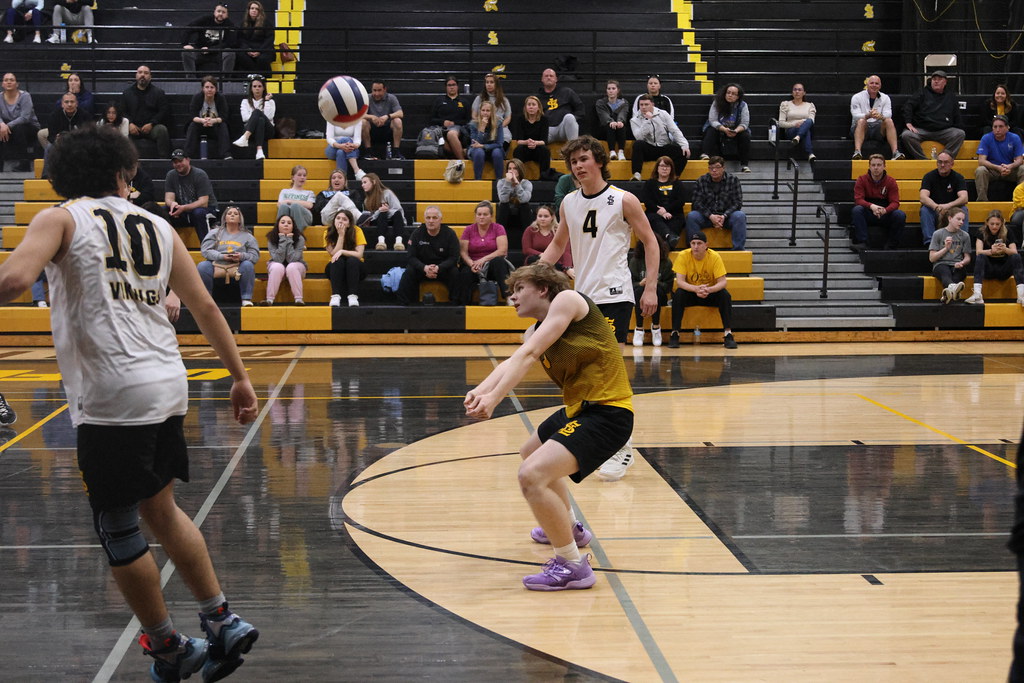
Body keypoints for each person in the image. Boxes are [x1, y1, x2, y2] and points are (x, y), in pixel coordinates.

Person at [0, 124, 259, 682]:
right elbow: (207, 310)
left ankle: (168, 647)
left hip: (112, 396)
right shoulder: (160, 226)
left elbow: (15, 279)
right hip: (167, 386)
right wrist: (240, 377)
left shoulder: (62, 217)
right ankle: (221, 620)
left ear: (64, 176)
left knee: (118, 526)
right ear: (122, 171)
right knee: (161, 511)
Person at [463, 262, 634, 591]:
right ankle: (570, 527)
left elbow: (528, 355)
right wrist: (481, 389)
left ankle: (572, 564)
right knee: (530, 451)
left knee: (532, 475)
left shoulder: (568, 300)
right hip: (580, 409)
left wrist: (495, 399)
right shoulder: (533, 330)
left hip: (608, 413)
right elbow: (518, 356)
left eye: (519, 289)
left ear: (543, 288)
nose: (511, 297)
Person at [538, 135, 660, 482]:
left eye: (584, 159)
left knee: (609, 371)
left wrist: (649, 287)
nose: (578, 166)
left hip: (615, 294)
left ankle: (622, 447)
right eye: (573, 161)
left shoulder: (623, 200)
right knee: (587, 372)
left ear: (599, 162)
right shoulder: (569, 204)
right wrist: (530, 278)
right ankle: (599, 436)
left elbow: (650, 242)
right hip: (582, 298)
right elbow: (558, 244)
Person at [666, 231, 738, 349]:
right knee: (678, 294)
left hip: (709, 293)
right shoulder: (683, 255)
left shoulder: (714, 256)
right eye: (693, 243)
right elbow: (680, 282)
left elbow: (723, 282)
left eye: (699, 243)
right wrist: (695, 289)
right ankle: (675, 334)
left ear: (706, 245)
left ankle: (728, 334)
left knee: (725, 295)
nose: (695, 246)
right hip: (691, 292)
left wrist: (709, 290)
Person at [397, 204, 460, 305]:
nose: (431, 221)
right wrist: (424, 267)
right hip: (422, 268)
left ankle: (455, 304)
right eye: (428, 218)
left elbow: (454, 257)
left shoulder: (450, 234)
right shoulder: (417, 233)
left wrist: (439, 268)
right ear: (425, 219)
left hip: (442, 268)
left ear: (440, 219)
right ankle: (403, 304)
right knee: (409, 271)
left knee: (454, 272)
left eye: (434, 218)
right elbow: (410, 257)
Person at [197, 205, 258, 306]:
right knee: (202, 266)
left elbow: (254, 256)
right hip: (216, 263)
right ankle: (206, 299)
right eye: (229, 214)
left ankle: (246, 298)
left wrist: (241, 256)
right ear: (224, 218)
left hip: (238, 264)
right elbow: (205, 250)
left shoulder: (248, 236)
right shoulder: (214, 233)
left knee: (248, 265)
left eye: (235, 214)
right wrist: (221, 256)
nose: (232, 215)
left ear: (240, 219)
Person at [685, 156, 747, 250]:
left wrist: (724, 216)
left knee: (740, 216)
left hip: (726, 217)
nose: (714, 170)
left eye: (717, 167)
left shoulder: (733, 180)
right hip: (706, 217)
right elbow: (696, 203)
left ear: (723, 168)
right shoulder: (701, 180)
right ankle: (694, 248)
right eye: (711, 168)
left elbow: (737, 203)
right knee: (692, 216)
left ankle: (738, 249)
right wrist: (710, 216)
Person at [900, 70, 965, 160]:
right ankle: (923, 160)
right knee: (906, 135)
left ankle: (944, 159)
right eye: (934, 79)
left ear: (945, 82)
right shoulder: (921, 93)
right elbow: (908, 106)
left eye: (939, 79)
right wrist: (908, 123)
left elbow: (957, 115)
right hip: (922, 130)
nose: (936, 81)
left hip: (944, 131)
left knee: (960, 134)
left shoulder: (951, 96)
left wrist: (958, 127)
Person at [965, 209, 1024, 306]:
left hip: (1003, 270)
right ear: (987, 222)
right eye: (992, 224)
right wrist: (991, 251)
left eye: (997, 224)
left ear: (1002, 223)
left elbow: (1014, 252)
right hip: (989, 269)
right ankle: (977, 294)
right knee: (980, 256)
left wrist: (1005, 249)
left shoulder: (1008, 231)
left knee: (1016, 257)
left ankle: (1021, 295)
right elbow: (978, 252)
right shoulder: (981, 232)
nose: (994, 226)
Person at [456, 200, 511, 303]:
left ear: (491, 216)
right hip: (473, 265)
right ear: (475, 216)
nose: (481, 217)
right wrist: (472, 264)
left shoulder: (498, 228)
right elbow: (463, 252)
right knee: (465, 272)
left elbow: (502, 251)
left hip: (491, 265)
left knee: (499, 262)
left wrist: (483, 260)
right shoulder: (468, 229)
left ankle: (509, 297)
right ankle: (464, 304)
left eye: (485, 214)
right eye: (479, 214)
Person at [851, 153, 905, 250]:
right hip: (869, 212)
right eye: (873, 165)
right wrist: (872, 206)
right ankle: (863, 242)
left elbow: (895, 202)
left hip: (885, 213)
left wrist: (885, 210)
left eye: (879, 165)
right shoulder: (861, 180)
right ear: (869, 166)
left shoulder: (891, 181)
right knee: (857, 210)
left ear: (884, 166)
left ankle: (892, 245)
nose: (876, 168)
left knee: (900, 215)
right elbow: (858, 200)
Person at [630, 94, 689, 181]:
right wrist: (647, 120)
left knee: (682, 152)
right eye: (641, 105)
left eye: (646, 104)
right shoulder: (635, 120)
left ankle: (674, 177)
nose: (643, 107)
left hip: (663, 147)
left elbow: (674, 130)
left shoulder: (663, 114)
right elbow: (639, 137)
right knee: (638, 144)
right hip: (649, 149)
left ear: (652, 104)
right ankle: (637, 174)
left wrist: (684, 145)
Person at [165, 149, 218, 242]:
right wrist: (173, 204)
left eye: (180, 161)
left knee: (198, 212)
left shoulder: (200, 174)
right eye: (175, 162)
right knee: (163, 211)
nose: (178, 164)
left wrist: (183, 208)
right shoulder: (171, 175)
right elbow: (168, 198)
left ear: (188, 160)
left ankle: (207, 247)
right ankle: (167, 246)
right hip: (184, 210)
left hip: (207, 209)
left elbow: (204, 202)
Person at [629, 233, 672, 348]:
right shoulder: (635, 261)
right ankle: (639, 329)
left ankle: (656, 327)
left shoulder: (666, 262)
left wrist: (654, 283)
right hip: (638, 294)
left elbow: (668, 286)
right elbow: (629, 284)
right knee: (639, 291)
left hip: (659, 295)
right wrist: (640, 283)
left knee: (655, 291)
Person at [121, 65, 171, 159]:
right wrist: (130, 124)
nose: (142, 75)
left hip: (152, 127)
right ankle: (124, 161)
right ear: (136, 75)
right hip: (132, 127)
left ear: (150, 76)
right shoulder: (127, 93)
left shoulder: (159, 93)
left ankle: (164, 161)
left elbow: (163, 111)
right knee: (121, 129)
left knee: (162, 130)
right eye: (140, 72)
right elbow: (122, 111)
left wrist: (152, 123)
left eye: (146, 73)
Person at [919, 150, 968, 246]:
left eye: (946, 162)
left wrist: (948, 206)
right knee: (925, 210)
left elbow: (964, 198)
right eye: (940, 162)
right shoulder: (929, 177)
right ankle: (930, 242)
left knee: (963, 209)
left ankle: (961, 241)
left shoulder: (958, 177)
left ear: (952, 164)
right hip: (935, 210)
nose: (942, 165)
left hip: (951, 210)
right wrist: (936, 207)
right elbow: (923, 197)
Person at [850, 74, 903, 160]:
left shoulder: (885, 98)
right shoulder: (857, 97)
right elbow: (855, 116)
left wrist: (880, 116)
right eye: (872, 83)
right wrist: (868, 116)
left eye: (877, 83)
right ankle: (857, 152)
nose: (874, 85)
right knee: (861, 121)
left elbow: (888, 114)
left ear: (880, 86)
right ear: (867, 84)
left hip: (878, 127)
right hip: (861, 127)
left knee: (889, 121)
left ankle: (895, 152)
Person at [701, 83, 751, 173]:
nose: (730, 95)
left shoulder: (743, 105)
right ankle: (705, 154)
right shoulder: (717, 102)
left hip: (735, 130)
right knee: (711, 130)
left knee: (745, 135)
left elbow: (745, 123)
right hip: (719, 128)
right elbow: (712, 120)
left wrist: (736, 131)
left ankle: (744, 165)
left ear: (738, 96)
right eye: (728, 92)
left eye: (733, 94)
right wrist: (724, 129)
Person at [38, 72, 94, 151]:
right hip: (62, 130)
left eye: (76, 80)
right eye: (70, 80)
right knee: (42, 135)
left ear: (81, 83)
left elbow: (86, 107)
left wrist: (75, 96)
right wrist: (55, 138)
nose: (73, 83)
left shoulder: (87, 95)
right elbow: (58, 108)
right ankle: (55, 154)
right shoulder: (65, 96)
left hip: (78, 131)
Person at [181, 3, 236, 82]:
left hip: (218, 53)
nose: (220, 14)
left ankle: (225, 80)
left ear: (227, 15)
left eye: (223, 12)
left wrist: (210, 49)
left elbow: (230, 43)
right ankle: (191, 80)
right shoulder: (205, 19)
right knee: (186, 52)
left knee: (230, 53)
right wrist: (184, 44)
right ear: (214, 12)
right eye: (219, 11)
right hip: (201, 51)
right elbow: (189, 28)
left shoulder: (230, 25)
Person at [640, 156, 687, 247]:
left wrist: (666, 210)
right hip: (655, 213)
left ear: (671, 169)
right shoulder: (650, 183)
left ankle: (665, 246)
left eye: (667, 166)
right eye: (662, 166)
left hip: (674, 214)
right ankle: (669, 236)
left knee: (675, 222)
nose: (664, 168)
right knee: (653, 219)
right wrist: (660, 212)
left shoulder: (677, 183)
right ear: (657, 168)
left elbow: (681, 201)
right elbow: (647, 201)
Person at [975, 115, 1024, 201]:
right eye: (995, 127)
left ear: (1007, 127)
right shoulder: (986, 138)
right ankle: (982, 201)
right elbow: (981, 161)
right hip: (993, 170)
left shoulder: (1015, 138)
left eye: (1001, 126)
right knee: (980, 170)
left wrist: (1010, 166)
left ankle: (1021, 199)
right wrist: (998, 168)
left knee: (1023, 169)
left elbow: (1020, 160)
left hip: (1009, 169)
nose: (997, 129)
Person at [928, 207, 971, 304]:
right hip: (941, 264)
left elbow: (967, 257)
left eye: (963, 220)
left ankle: (947, 295)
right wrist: (946, 248)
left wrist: (962, 262)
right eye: (958, 219)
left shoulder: (965, 236)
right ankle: (953, 288)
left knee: (959, 273)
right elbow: (932, 258)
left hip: (957, 264)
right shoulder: (938, 234)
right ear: (950, 218)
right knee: (945, 272)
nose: (961, 222)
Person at [324, 208, 366, 307]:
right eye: (338, 218)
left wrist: (343, 251)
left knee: (352, 260)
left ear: (349, 223)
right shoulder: (328, 232)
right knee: (337, 260)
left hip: (356, 268)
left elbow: (359, 254)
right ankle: (335, 295)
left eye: (344, 219)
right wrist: (341, 236)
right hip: (336, 268)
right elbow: (333, 254)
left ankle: (353, 295)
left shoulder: (357, 230)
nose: (340, 221)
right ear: (334, 220)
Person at [41, 92, 87, 179]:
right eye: (66, 102)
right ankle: (45, 176)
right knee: (49, 148)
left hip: (80, 145)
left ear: (76, 103)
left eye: (72, 102)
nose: (69, 104)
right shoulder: (54, 116)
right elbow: (50, 136)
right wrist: (56, 139)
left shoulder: (85, 115)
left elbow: (89, 135)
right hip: (60, 145)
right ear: (62, 104)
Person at [263, 213, 305, 306]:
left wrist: (289, 239)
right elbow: (278, 259)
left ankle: (299, 299)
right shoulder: (271, 238)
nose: (286, 224)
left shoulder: (300, 238)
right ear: (278, 225)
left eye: (289, 223)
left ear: (293, 226)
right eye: (283, 222)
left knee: (291, 266)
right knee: (277, 266)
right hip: (277, 267)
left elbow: (292, 259)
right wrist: (282, 239)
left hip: (297, 267)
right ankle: (269, 300)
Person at [184, 76, 231, 160]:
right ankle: (187, 155)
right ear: (202, 88)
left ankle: (226, 154)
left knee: (223, 125)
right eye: (207, 87)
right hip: (201, 124)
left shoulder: (220, 98)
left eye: (212, 87)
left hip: (215, 125)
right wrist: (202, 120)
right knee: (193, 125)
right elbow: (192, 116)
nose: (209, 90)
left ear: (216, 89)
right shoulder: (197, 97)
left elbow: (224, 117)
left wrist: (213, 120)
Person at [0, 72, 38, 171]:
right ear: (2, 84)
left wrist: (6, 126)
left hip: (29, 127)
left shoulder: (25, 96)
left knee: (19, 128)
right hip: (8, 128)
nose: (9, 82)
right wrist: (2, 124)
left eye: (11, 80)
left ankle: (24, 163)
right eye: (6, 80)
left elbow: (25, 117)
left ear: (17, 84)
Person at [232, 74, 274, 160]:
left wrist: (265, 101)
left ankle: (245, 137)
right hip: (251, 129)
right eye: (254, 86)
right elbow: (244, 118)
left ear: (263, 88)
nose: (257, 88)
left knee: (259, 114)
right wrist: (257, 114)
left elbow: (269, 116)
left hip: (268, 130)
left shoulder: (270, 101)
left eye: (259, 86)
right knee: (260, 120)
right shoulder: (245, 102)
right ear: (251, 88)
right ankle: (259, 151)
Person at [360, 172, 405, 250]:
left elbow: (398, 209)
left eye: (365, 182)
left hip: (392, 219)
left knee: (396, 213)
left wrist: (387, 210)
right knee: (382, 213)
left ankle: (398, 242)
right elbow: (369, 217)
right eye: (362, 183)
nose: (362, 185)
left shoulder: (387, 193)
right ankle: (381, 242)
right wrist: (380, 211)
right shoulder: (366, 200)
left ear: (373, 182)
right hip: (378, 220)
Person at [522, 204, 572, 273]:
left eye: (546, 216)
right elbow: (526, 249)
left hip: (556, 263)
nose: (542, 219)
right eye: (540, 216)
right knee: (532, 259)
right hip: (535, 261)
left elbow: (566, 252)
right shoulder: (530, 230)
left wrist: (567, 268)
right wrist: (542, 254)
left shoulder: (559, 231)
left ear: (552, 217)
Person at [537, 68, 583, 142]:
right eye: (546, 76)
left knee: (569, 117)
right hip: (548, 130)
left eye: (551, 76)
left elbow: (580, 108)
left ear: (556, 79)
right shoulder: (537, 97)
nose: (548, 77)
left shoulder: (567, 92)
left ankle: (574, 148)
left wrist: (573, 121)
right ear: (542, 79)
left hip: (563, 128)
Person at [430, 76, 470, 161]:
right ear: (446, 87)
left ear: (457, 86)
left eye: (454, 85)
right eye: (449, 85)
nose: (451, 87)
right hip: (441, 128)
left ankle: (462, 161)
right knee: (437, 138)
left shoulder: (464, 102)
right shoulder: (439, 101)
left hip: (458, 129)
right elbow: (431, 119)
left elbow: (468, 120)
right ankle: (461, 153)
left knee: (451, 134)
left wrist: (454, 123)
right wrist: (443, 122)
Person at [511, 95, 551, 180]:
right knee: (518, 150)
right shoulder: (521, 119)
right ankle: (518, 177)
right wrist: (527, 142)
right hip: (525, 147)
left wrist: (535, 143)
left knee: (545, 151)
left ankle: (544, 177)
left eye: (533, 104)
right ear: (525, 107)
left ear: (538, 107)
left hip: (538, 148)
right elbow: (519, 141)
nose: (531, 107)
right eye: (529, 105)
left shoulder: (544, 120)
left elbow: (544, 141)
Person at [361, 80, 403, 159]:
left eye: (379, 90)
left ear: (385, 89)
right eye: (374, 90)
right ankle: (368, 152)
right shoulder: (366, 98)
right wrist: (372, 117)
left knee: (398, 121)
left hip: (387, 129)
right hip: (371, 130)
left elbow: (400, 113)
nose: (376, 94)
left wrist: (387, 116)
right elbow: (359, 115)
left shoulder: (391, 98)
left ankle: (396, 152)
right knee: (363, 122)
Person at [495, 157, 533, 245]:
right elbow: (503, 199)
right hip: (506, 214)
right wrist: (508, 182)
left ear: (520, 170)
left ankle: (527, 240)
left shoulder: (527, 183)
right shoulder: (501, 182)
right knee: (503, 206)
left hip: (521, 214)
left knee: (525, 206)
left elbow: (524, 199)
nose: (511, 171)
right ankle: (500, 239)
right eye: (509, 168)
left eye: (515, 168)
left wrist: (517, 183)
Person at [465, 100, 503, 181]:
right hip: (477, 151)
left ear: (492, 112)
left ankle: (499, 181)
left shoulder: (498, 123)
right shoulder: (473, 124)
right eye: (483, 110)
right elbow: (475, 144)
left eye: (488, 110)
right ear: (480, 111)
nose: (485, 113)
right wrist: (482, 128)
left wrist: (483, 146)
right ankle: (478, 180)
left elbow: (499, 144)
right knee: (479, 151)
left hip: (493, 149)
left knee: (497, 152)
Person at [778, 82, 816, 161]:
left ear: (804, 93)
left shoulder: (810, 105)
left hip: (805, 128)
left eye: (799, 90)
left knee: (808, 123)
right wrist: (795, 124)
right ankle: (810, 153)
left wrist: (802, 122)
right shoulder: (785, 104)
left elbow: (812, 121)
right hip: (791, 131)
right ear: (792, 92)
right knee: (806, 130)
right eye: (795, 90)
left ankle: (798, 137)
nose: (797, 91)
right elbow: (781, 123)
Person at [234, 1, 274, 77]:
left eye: (257, 9)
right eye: (252, 8)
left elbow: (269, 40)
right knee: (239, 55)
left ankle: (262, 78)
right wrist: (247, 49)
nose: (254, 10)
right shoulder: (243, 24)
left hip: (263, 50)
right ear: (248, 10)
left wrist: (259, 51)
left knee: (263, 59)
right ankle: (254, 76)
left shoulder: (266, 23)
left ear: (260, 11)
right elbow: (240, 39)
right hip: (248, 50)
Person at [471, 72, 511, 148]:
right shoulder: (479, 98)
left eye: (491, 82)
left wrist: (498, 127)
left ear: (496, 84)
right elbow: (474, 115)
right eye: (487, 82)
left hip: (500, 126)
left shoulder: (504, 100)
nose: (489, 84)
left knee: (505, 137)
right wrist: (482, 125)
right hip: (483, 126)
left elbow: (508, 118)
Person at [596, 79, 630, 161]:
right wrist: (610, 121)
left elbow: (623, 113)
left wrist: (620, 121)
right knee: (611, 126)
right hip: (605, 128)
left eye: (613, 89)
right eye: (609, 89)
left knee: (621, 126)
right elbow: (603, 115)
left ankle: (621, 152)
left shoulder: (624, 102)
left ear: (618, 90)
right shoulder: (600, 103)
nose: (611, 91)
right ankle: (612, 151)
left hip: (619, 128)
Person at [276, 164, 315, 232]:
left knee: (295, 206)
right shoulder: (284, 191)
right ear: (293, 177)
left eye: (304, 175)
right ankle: (281, 235)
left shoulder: (309, 192)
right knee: (284, 207)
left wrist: (291, 201)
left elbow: (309, 205)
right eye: (299, 175)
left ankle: (298, 236)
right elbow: (280, 205)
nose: (302, 177)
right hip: (288, 215)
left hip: (305, 217)